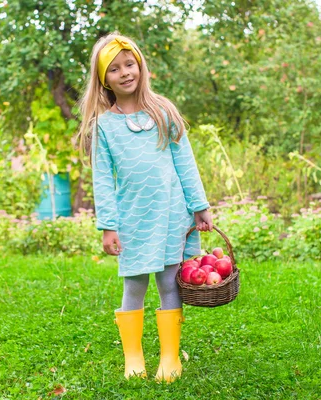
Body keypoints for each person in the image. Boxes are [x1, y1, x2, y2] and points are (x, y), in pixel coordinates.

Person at [76, 32, 213, 383]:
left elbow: (186, 162)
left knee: (170, 282)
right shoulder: (104, 126)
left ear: (140, 66)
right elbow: (104, 179)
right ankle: (134, 357)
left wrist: (199, 206)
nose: (124, 73)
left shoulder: (163, 111)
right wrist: (108, 225)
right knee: (134, 284)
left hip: (171, 214)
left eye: (130, 64)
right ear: (103, 79)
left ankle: (169, 357)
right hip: (133, 219)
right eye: (114, 69)